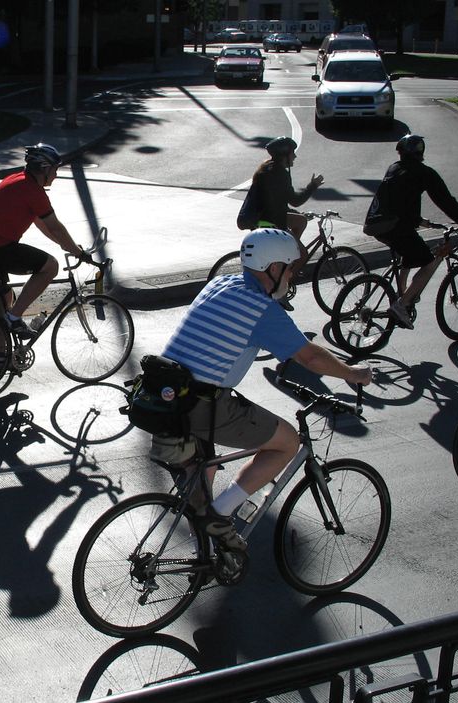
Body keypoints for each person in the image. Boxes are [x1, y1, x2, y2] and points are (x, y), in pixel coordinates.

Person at [159, 228, 372, 551]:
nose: (291, 276)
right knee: (287, 442)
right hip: (202, 405)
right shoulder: (261, 307)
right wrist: (354, 374)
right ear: (273, 269)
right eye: (289, 268)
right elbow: (311, 357)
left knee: (204, 473)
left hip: (165, 396)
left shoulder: (219, 284)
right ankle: (220, 514)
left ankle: (204, 553)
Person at [0, 143, 87, 360]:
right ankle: (15, 317)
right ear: (45, 169)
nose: (56, 176)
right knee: (50, 266)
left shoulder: (17, 180)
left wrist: (65, 245)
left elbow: (41, 223)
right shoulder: (33, 191)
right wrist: (78, 252)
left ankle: (2, 359)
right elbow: (54, 225)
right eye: (55, 170)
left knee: (1, 299)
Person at [363, 134, 458, 330]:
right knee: (428, 261)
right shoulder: (424, 173)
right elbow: (446, 201)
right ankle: (402, 305)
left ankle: (402, 293)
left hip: (375, 224)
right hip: (395, 225)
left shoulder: (394, 168)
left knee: (407, 251)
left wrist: (421, 221)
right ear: (420, 152)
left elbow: (400, 200)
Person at [250, 137, 323, 276]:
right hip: (271, 223)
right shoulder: (280, 174)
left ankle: (286, 255)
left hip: (263, 217)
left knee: (301, 220)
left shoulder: (267, 169)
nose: (295, 156)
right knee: (302, 254)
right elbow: (295, 200)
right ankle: (283, 284)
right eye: (292, 153)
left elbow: (276, 202)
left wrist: (294, 212)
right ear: (284, 155)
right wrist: (312, 186)